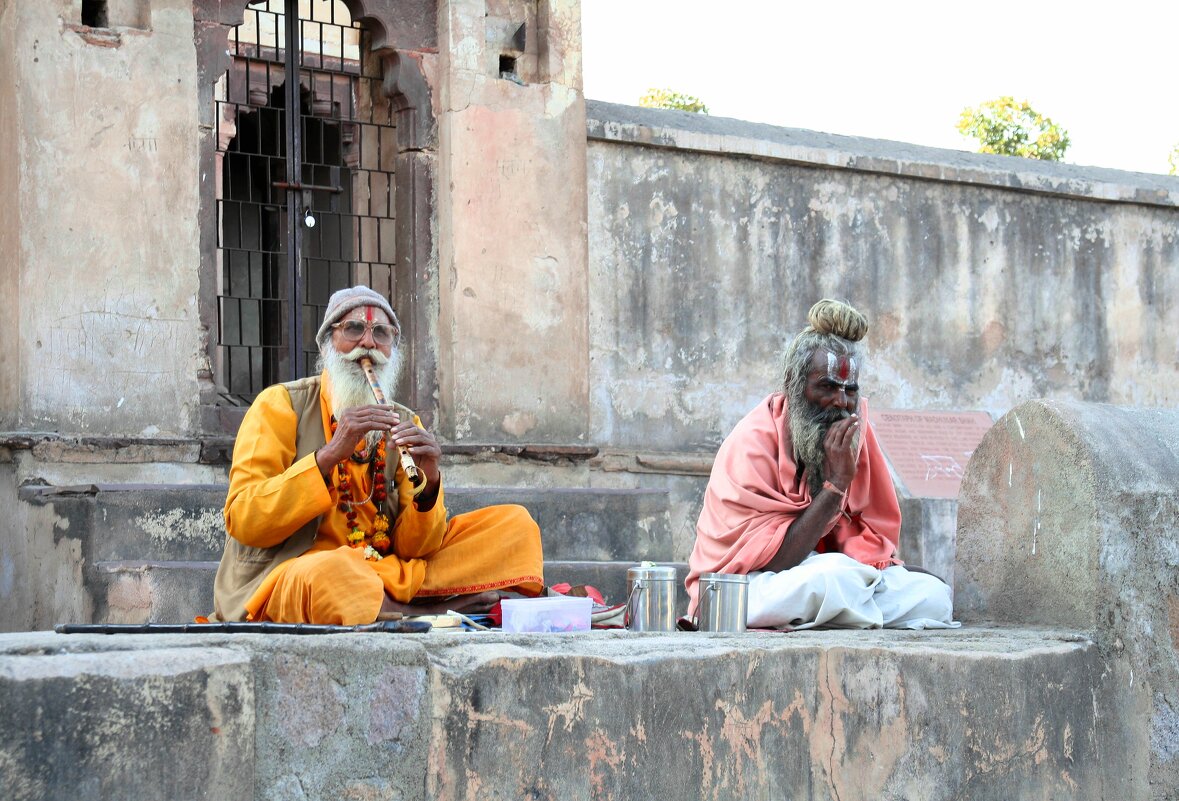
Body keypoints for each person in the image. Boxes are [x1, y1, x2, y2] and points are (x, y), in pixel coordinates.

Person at [210, 285, 544, 624]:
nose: (368, 343)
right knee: (336, 572)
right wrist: (327, 457)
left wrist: (428, 486)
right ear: (328, 345)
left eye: (380, 333)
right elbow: (244, 519)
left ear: (392, 348)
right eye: (353, 329)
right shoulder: (280, 405)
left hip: (382, 567)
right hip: (300, 572)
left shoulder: (403, 421)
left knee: (515, 526)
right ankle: (419, 610)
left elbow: (417, 550)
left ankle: (382, 600)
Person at [685, 299, 957, 630]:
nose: (840, 402)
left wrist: (890, 570)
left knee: (933, 595)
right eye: (827, 387)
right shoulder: (752, 443)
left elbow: (865, 544)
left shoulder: (856, 435)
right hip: (741, 589)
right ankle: (843, 609)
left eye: (849, 390)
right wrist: (836, 487)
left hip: (830, 574)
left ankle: (838, 612)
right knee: (833, 578)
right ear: (795, 386)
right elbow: (775, 562)